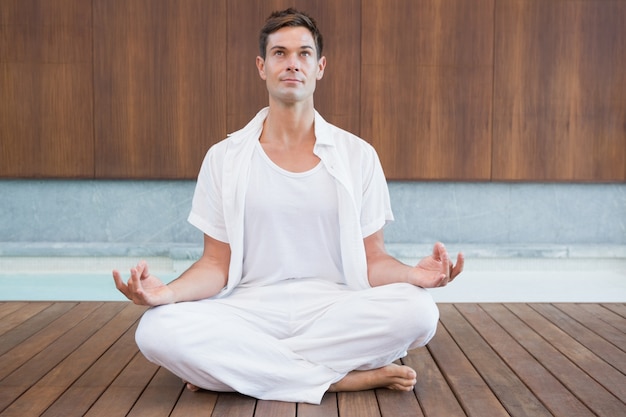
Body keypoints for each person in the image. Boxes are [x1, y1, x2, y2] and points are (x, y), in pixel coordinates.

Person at [113, 8, 464, 405]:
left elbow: (373, 258)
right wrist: (169, 293)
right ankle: (337, 379)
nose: (292, 63)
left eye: (304, 54)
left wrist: (413, 276)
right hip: (249, 308)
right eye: (280, 53)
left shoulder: (358, 156)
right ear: (262, 67)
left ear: (320, 67)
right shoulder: (224, 157)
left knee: (419, 311)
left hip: (334, 307)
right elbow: (216, 264)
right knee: (156, 329)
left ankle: (239, 371)